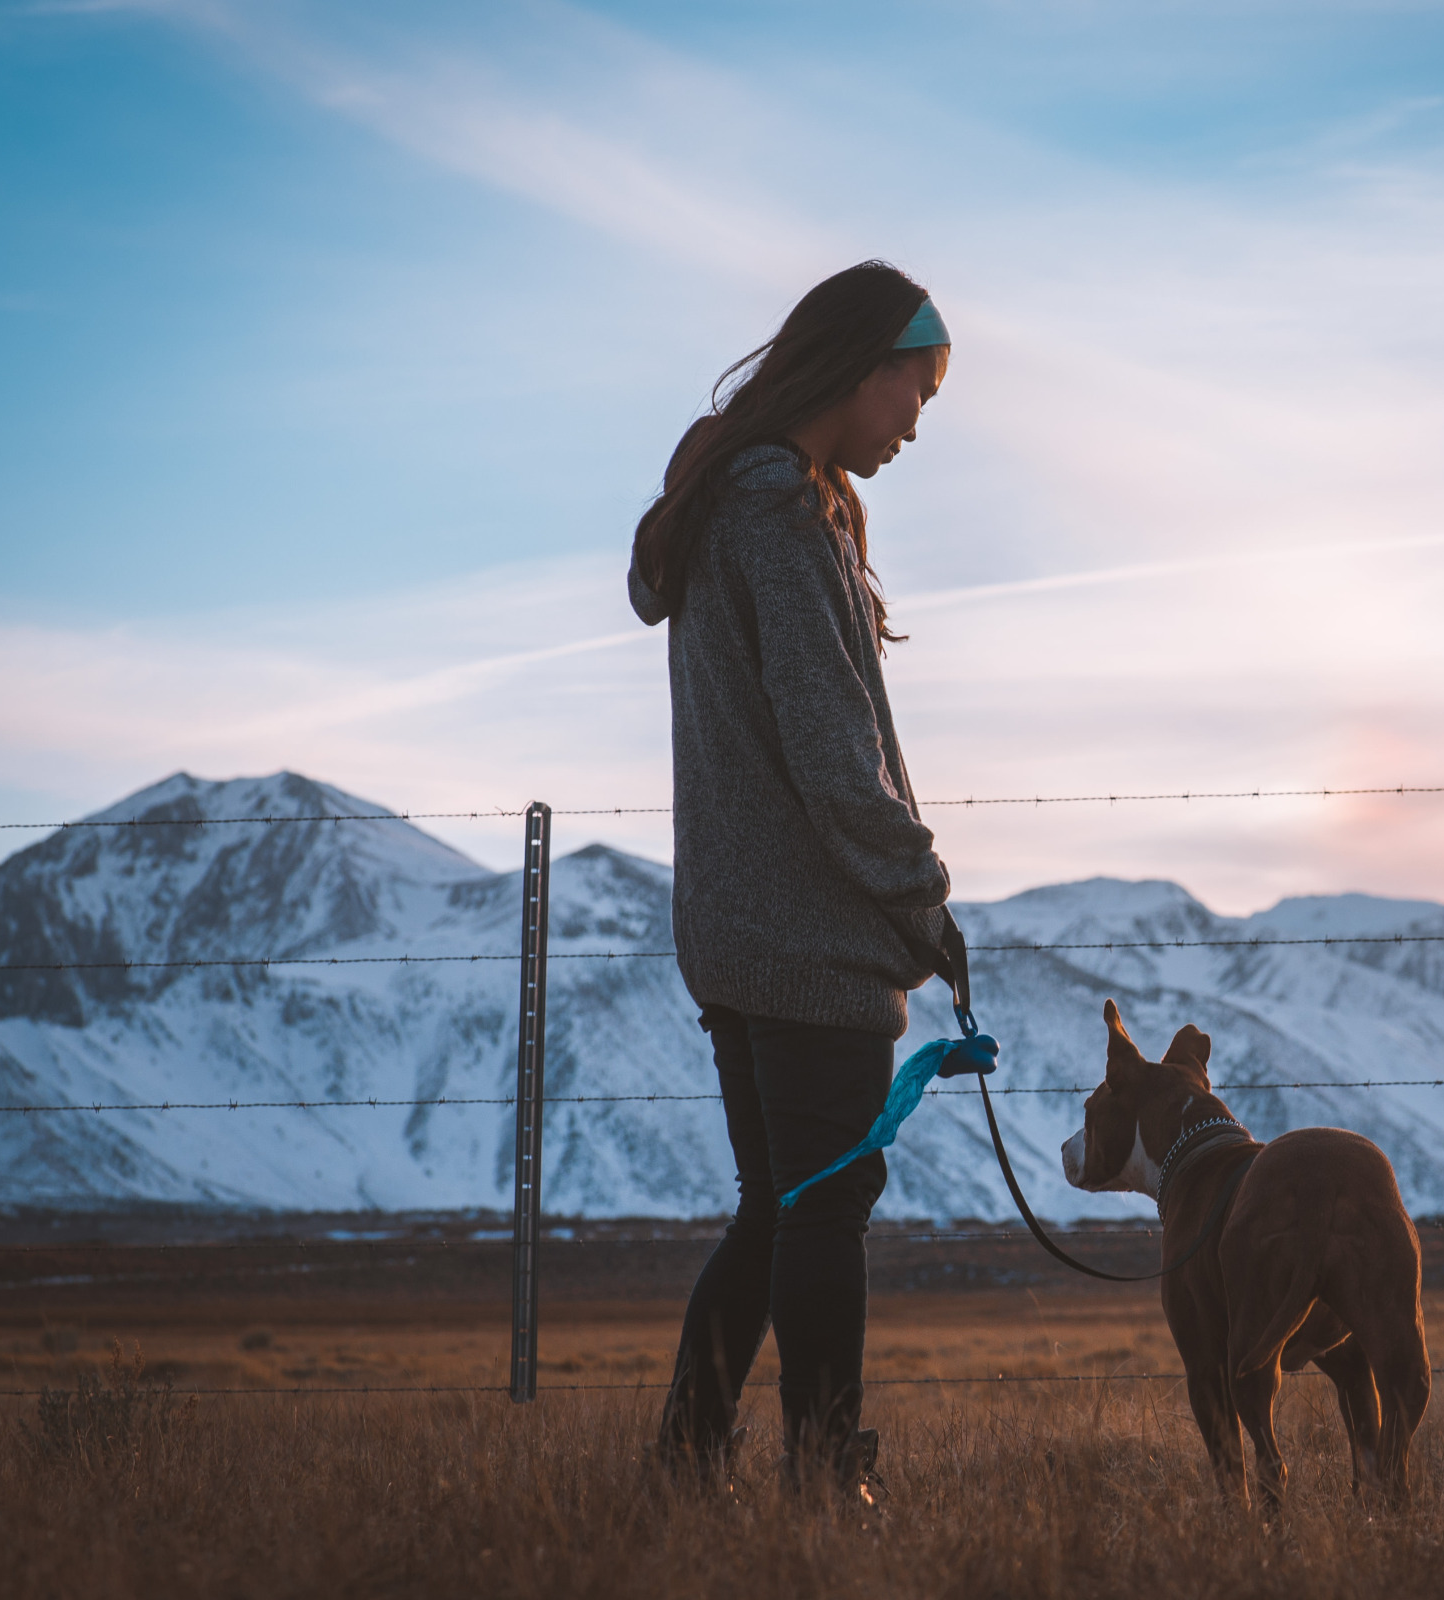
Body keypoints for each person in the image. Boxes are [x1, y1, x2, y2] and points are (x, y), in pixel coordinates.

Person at [626, 260, 955, 1501]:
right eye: (913, 394)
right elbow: (834, 756)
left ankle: (685, 1460)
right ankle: (826, 1477)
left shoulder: (730, 505)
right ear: (862, 366)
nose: (914, 427)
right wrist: (922, 898)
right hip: (809, 932)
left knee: (778, 1204)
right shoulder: (777, 514)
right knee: (822, 1209)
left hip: (732, 924)